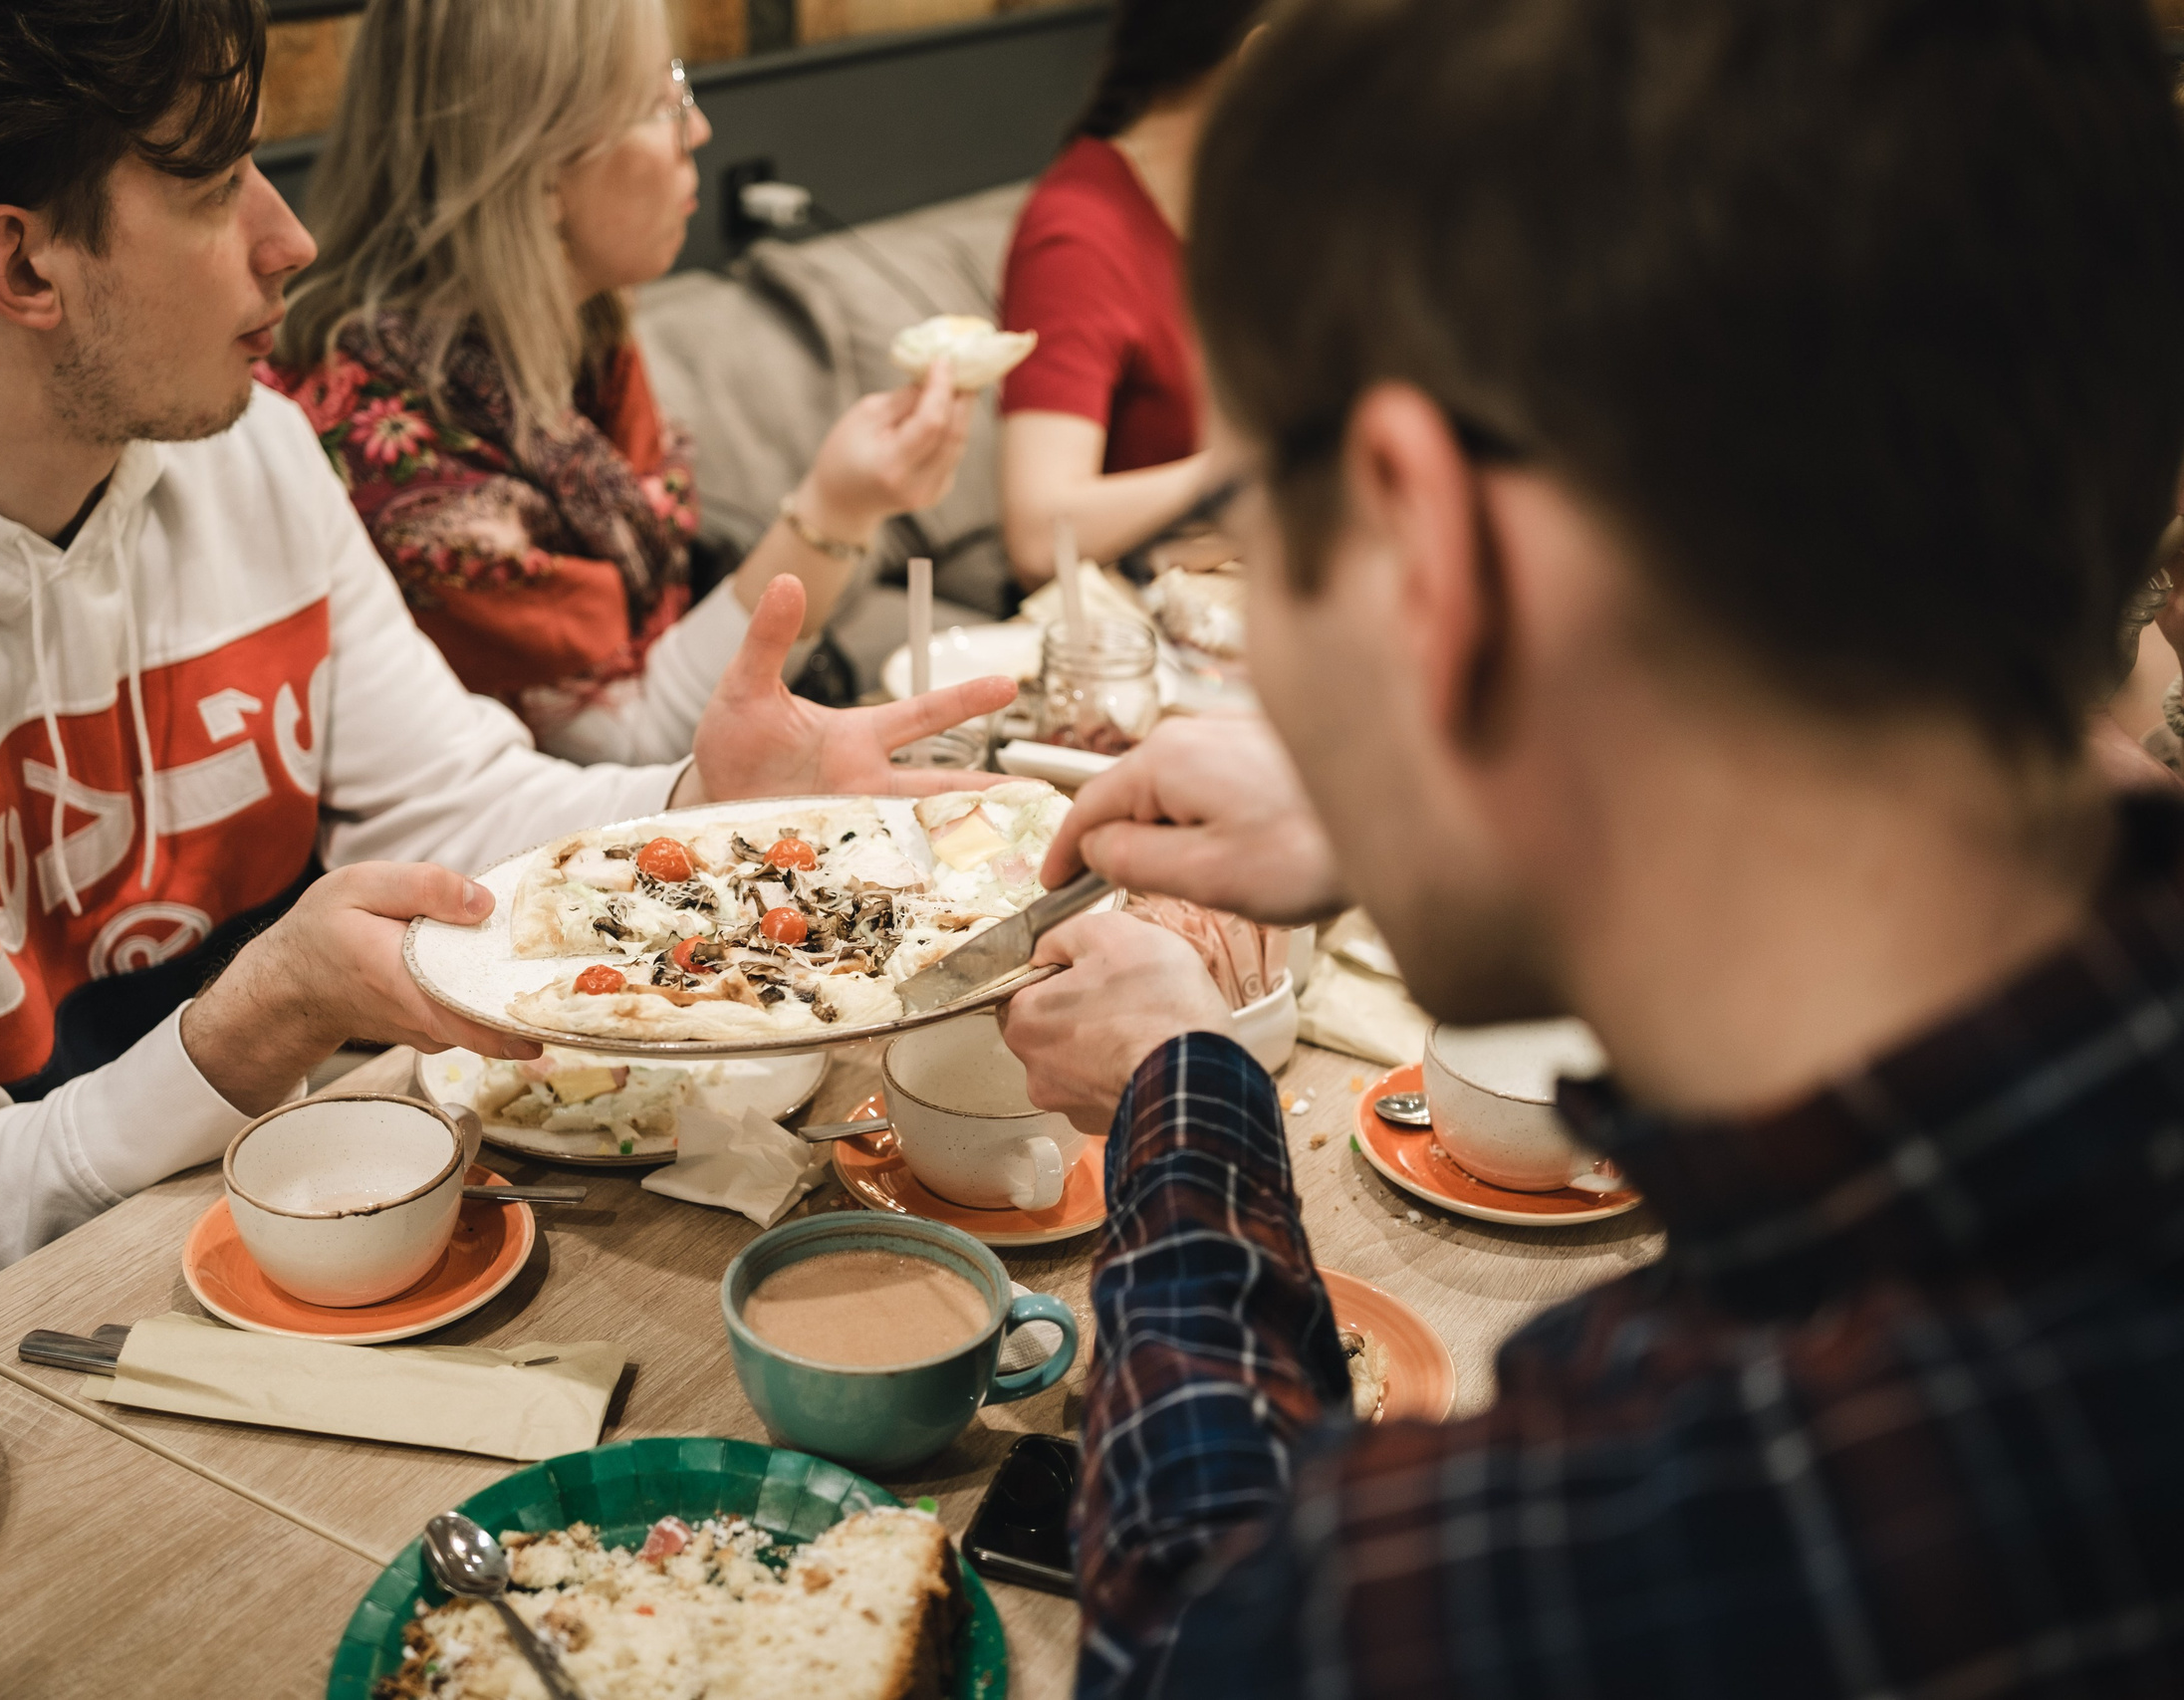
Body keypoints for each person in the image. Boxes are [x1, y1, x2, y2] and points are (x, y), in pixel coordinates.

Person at [995, 0, 2184, 1693]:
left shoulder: (1651, 1536)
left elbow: (1209, 1624)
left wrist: (1183, 1086)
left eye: (1267, 532)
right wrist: (1444, 795)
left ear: (1434, 551)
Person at [0, 0, 1010, 1346]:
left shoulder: (247, 451)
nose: (289, 239)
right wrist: (256, 1019)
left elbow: (448, 800)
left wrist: (695, 799)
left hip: (257, 1217)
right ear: (25, 268)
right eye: (216, 186)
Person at [261, 0, 975, 765]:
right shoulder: (385, 435)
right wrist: (835, 512)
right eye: (662, 104)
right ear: (537, 166)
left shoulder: (582, 328)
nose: (695, 131)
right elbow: (621, 753)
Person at [994, 0, 1268, 589]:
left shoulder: (1251, 201)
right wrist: (1247, 468)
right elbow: (1040, 534)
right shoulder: (1079, 232)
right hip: (1132, 632)